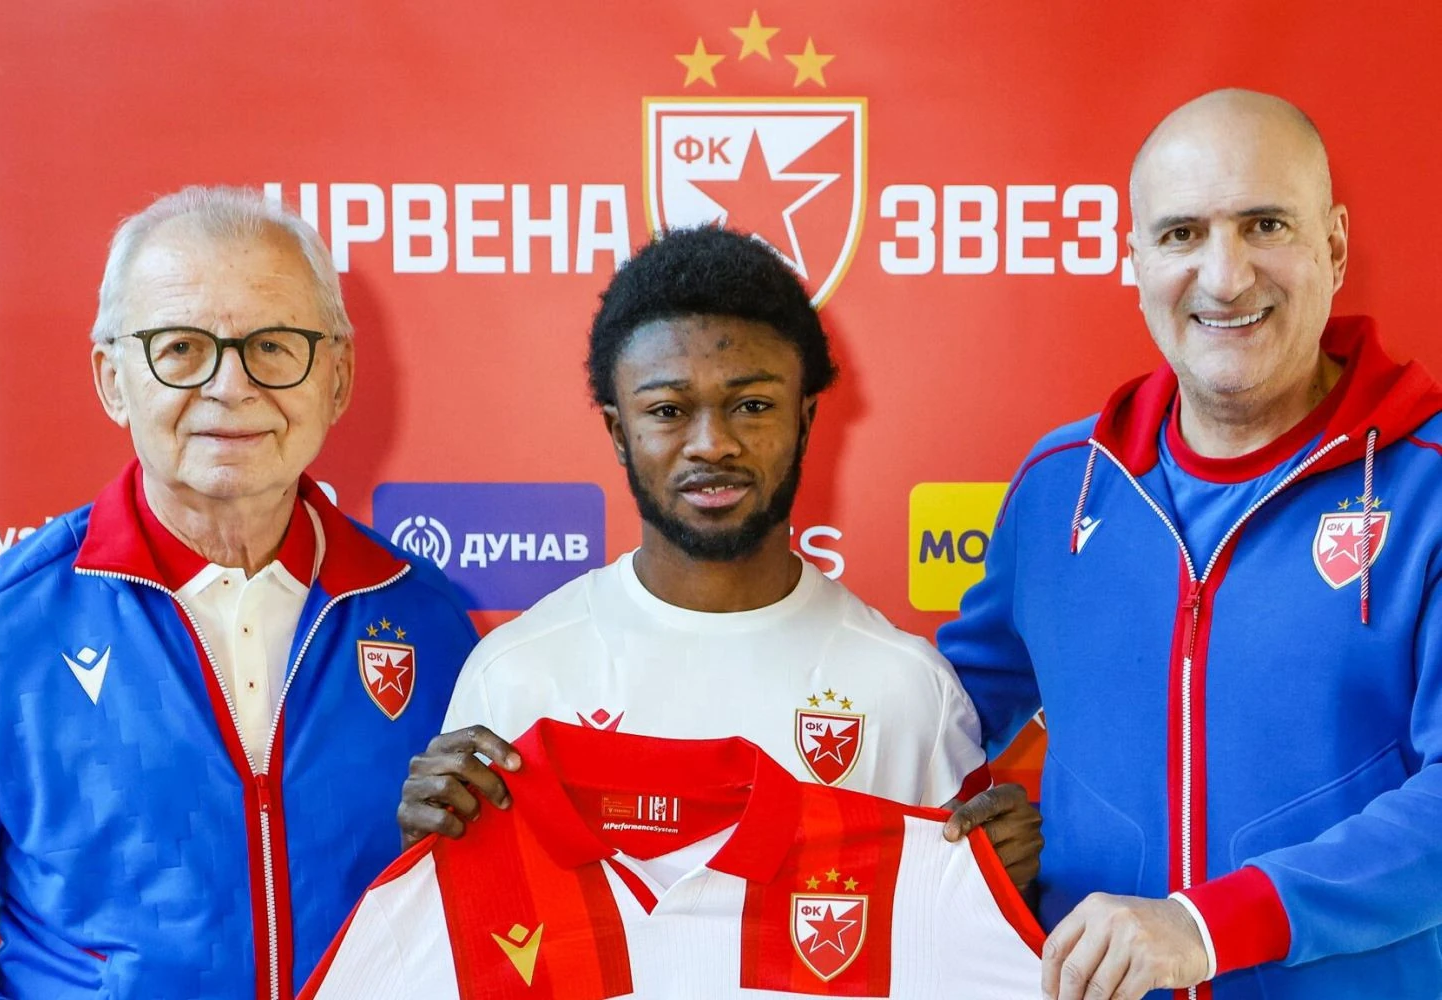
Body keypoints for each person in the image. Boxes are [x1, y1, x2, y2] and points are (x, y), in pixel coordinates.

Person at [938, 89, 1442, 1000]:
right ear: (1135, 260)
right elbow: (940, 718)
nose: (1225, 276)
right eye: (1182, 235)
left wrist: (1210, 926)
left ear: (1334, 246)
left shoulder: (1429, 484)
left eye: (1264, 225)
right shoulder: (1060, 485)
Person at [0, 186, 477, 998]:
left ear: (337, 377)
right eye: (182, 348)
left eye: (274, 345)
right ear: (112, 379)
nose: (231, 386)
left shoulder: (430, 623)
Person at [396, 226, 1043, 888]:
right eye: (668, 410)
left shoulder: (908, 690)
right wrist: (431, 862)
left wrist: (1001, 886)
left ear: (804, 420)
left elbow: (951, 930)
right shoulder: (516, 676)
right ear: (619, 431)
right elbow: (473, 926)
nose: (712, 443)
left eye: (752, 405)